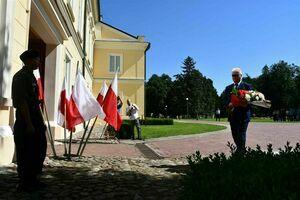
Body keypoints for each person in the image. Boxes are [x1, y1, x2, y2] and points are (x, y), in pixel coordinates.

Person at [12, 49, 47, 192]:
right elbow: (22, 102)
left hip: (35, 118)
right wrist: (29, 124)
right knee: (25, 150)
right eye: (37, 59)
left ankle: (34, 178)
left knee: (39, 148)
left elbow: (36, 101)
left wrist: (41, 120)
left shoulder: (31, 77)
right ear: (28, 60)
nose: (39, 62)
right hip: (25, 119)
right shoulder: (20, 77)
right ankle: (24, 182)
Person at [222, 67, 252, 153]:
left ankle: (241, 152)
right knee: (235, 134)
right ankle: (240, 150)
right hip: (233, 116)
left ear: (241, 76)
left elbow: (251, 101)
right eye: (233, 75)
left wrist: (244, 103)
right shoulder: (228, 88)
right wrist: (229, 104)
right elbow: (225, 100)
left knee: (241, 133)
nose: (234, 77)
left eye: (236, 75)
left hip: (243, 116)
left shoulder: (247, 86)